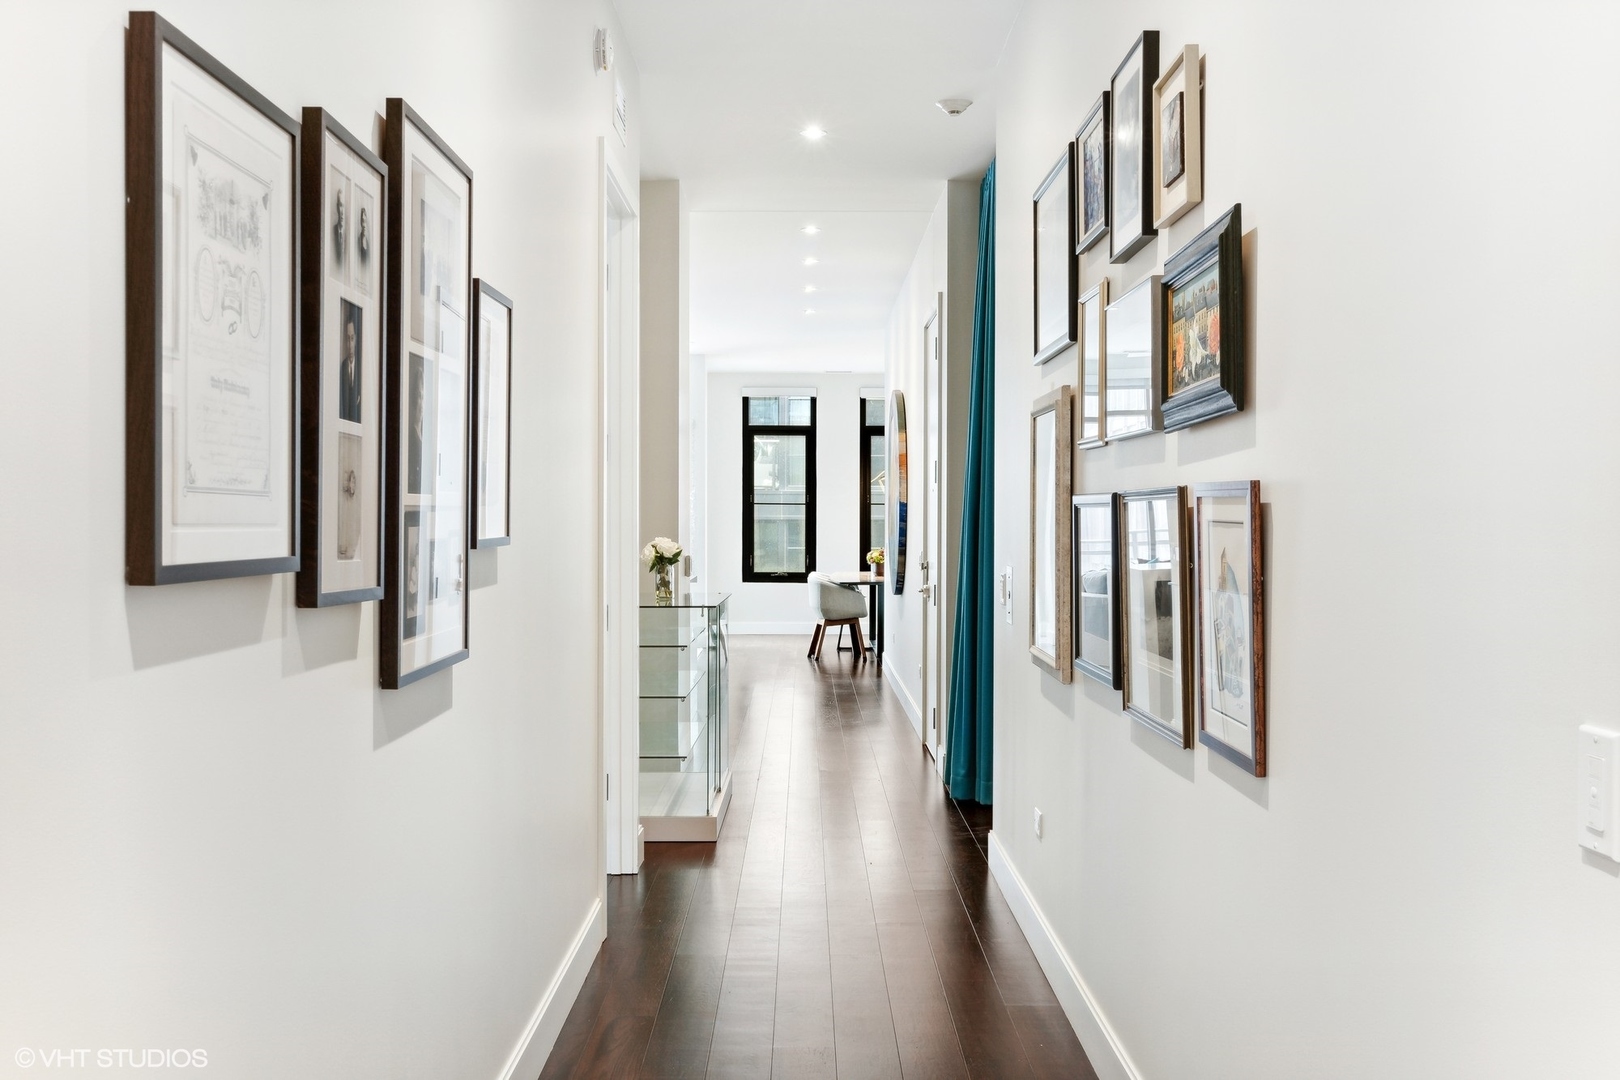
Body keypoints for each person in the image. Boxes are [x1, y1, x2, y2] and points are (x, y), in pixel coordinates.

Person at [338, 309, 361, 423]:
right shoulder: (342, 368)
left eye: (352, 338)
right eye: (347, 339)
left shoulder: (361, 369)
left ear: (356, 339)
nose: (350, 345)